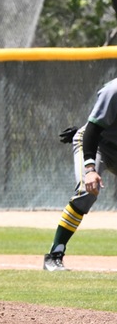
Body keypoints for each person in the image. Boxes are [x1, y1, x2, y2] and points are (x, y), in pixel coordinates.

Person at [44, 78, 117, 271]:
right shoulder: (113, 90)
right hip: (97, 145)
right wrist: (90, 170)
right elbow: (93, 129)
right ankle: (54, 255)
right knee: (87, 191)